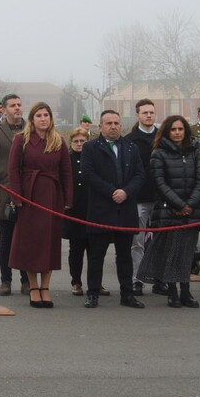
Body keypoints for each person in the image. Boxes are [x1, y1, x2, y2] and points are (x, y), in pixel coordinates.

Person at [137, 115, 200, 309]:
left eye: (180, 129)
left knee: (188, 253)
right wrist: (179, 205)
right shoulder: (158, 153)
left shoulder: (194, 151)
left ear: (185, 131)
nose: (177, 132)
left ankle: (186, 292)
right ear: (167, 132)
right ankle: (173, 292)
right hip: (170, 211)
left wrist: (191, 204)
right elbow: (159, 182)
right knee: (172, 252)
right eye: (173, 129)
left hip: (192, 210)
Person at [7, 102, 73, 309]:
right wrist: (17, 198)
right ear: (32, 119)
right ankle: (33, 286)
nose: (44, 119)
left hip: (52, 196)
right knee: (31, 242)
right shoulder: (21, 140)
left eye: (47, 115)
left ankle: (46, 286)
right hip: (30, 196)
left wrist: (68, 199)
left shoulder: (59, 141)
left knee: (50, 242)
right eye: (39, 115)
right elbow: (13, 169)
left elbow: (66, 172)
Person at [81, 110, 145, 309]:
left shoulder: (130, 147)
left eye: (116, 123)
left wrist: (126, 192)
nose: (113, 126)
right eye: (108, 123)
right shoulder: (90, 147)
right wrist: (112, 192)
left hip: (125, 209)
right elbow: (89, 175)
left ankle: (127, 294)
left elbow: (140, 175)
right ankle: (92, 294)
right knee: (96, 255)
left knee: (124, 255)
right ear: (100, 127)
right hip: (101, 208)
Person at [0, 94, 29, 295]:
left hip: (29, 192)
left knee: (27, 239)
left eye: (19, 104)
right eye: (13, 105)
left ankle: (27, 280)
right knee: (6, 238)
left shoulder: (31, 129)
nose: (17, 108)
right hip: (4, 192)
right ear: (4, 108)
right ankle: (6, 280)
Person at [124, 99, 162, 296]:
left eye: (151, 112)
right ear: (137, 115)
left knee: (159, 239)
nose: (148, 115)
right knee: (137, 241)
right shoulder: (129, 141)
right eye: (145, 112)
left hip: (160, 196)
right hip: (139, 197)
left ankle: (159, 278)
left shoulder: (163, 138)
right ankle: (137, 279)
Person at [62, 127, 104, 298]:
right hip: (74, 211)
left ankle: (95, 282)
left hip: (92, 209)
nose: (79, 144)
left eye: (82, 141)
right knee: (76, 250)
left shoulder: (95, 158)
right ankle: (76, 282)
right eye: (76, 141)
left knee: (95, 250)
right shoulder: (67, 160)